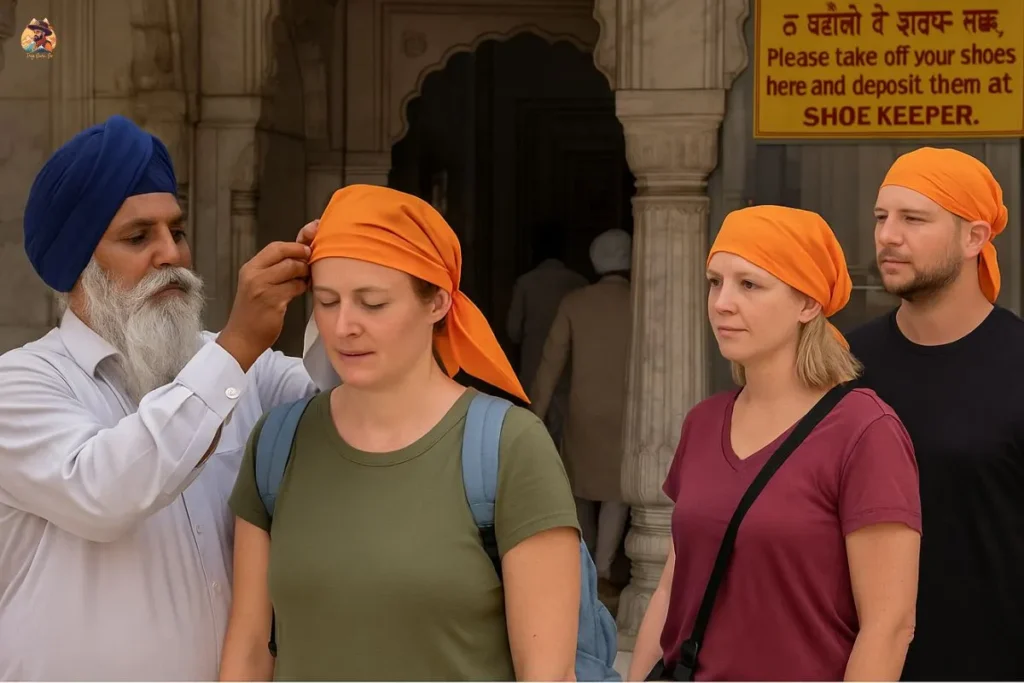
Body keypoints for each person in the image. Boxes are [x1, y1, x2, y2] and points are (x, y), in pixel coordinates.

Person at [0, 115, 324, 681]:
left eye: (177, 231)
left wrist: (345, 289)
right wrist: (238, 346)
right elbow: (104, 493)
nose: (170, 254)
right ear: (79, 262)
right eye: (138, 237)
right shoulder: (22, 385)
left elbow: (354, 402)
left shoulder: (231, 365)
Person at [220, 185, 582, 681]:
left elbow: (549, 674)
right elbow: (248, 650)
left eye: (372, 303)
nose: (343, 325)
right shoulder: (278, 443)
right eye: (327, 301)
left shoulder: (508, 448)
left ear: (436, 301)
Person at [627, 206, 922, 681]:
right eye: (714, 281)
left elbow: (888, 626)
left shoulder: (865, 431)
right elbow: (669, 592)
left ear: (807, 304)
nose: (721, 302)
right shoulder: (704, 423)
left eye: (749, 284)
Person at [847, 147, 1024, 680]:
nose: (887, 236)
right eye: (881, 217)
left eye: (913, 219)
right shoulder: (845, 366)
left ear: (974, 238)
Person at [530, 229, 632, 592]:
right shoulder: (642, 303)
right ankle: (603, 567)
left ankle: (584, 562)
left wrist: (535, 412)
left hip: (583, 409)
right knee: (618, 491)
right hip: (629, 411)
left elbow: (550, 361)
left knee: (580, 487)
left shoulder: (575, 303)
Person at [506, 222, 587, 437]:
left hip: (532, 367)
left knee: (533, 434)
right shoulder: (578, 282)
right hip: (569, 372)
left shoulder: (526, 283)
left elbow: (513, 329)